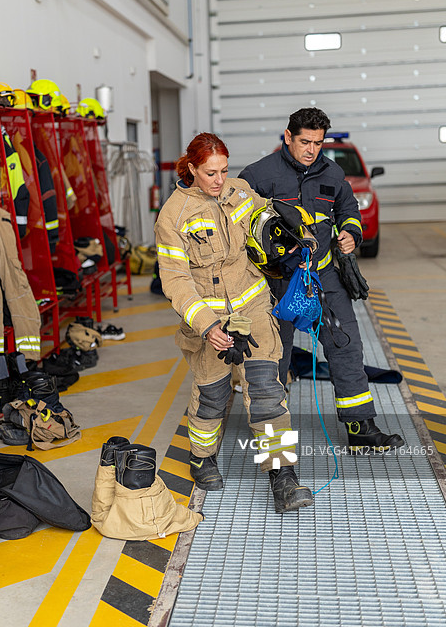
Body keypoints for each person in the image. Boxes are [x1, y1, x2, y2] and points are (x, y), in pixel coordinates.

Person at [154, 132, 315, 513]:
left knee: (267, 391)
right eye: (211, 173)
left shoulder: (238, 191)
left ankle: (283, 476)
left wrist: (295, 232)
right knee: (212, 396)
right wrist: (208, 326)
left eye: (224, 170)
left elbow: (265, 217)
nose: (219, 180)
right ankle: (202, 457)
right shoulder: (173, 216)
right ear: (191, 169)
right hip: (209, 322)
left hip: (253, 306)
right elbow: (175, 281)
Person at [239, 107, 404, 453]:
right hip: (275, 283)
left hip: (323, 277)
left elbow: (348, 209)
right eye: (305, 142)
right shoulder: (256, 175)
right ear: (288, 136)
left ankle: (360, 427)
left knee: (346, 345)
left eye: (317, 143)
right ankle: (274, 443)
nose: (311, 150)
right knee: (274, 356)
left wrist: (350, 233)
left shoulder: (333, 173)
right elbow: (237, 227)